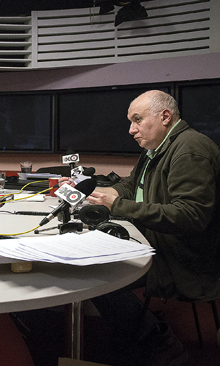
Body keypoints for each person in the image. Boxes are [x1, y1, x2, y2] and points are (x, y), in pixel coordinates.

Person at [85, 90, 220, 365]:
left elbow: (191, 216)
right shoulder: (154, 149)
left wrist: (117, 207)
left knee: (99, 279)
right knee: (95, 263)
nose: (131, 130)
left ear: (165, 117)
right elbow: (132, 185)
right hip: (157, 244)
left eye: (137, 120)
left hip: (185, 260)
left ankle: (159, 342)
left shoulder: (191, 150)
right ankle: (139, 335)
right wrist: (94, 193)